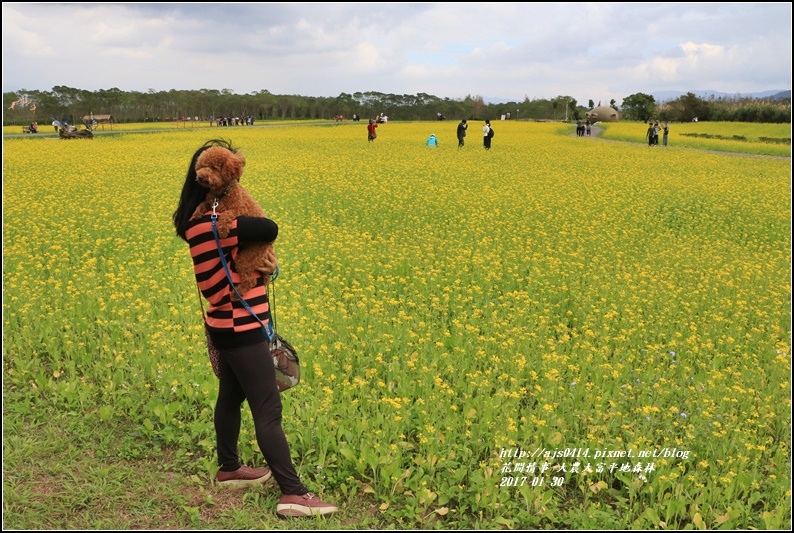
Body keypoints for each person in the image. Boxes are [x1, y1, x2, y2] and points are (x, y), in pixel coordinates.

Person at [172, 139, 338, 518]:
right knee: (268, 407)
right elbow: (270, 226)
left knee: (230, 397)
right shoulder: (219, 224)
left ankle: (229, 468)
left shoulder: (195, 224)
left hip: (224, 324)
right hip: (241, 325)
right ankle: (292, 493)